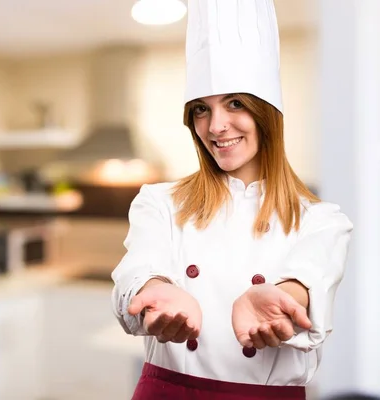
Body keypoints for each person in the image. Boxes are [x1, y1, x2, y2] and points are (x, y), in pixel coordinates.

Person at [111, 0, 353, 398]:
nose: (216, 126)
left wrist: (280, 301)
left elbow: (307, 281)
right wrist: (153, 289)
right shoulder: (159, 201)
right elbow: (138, 267)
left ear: (266, 113)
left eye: (235, 103)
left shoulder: (321, 219)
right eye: (202, 110)